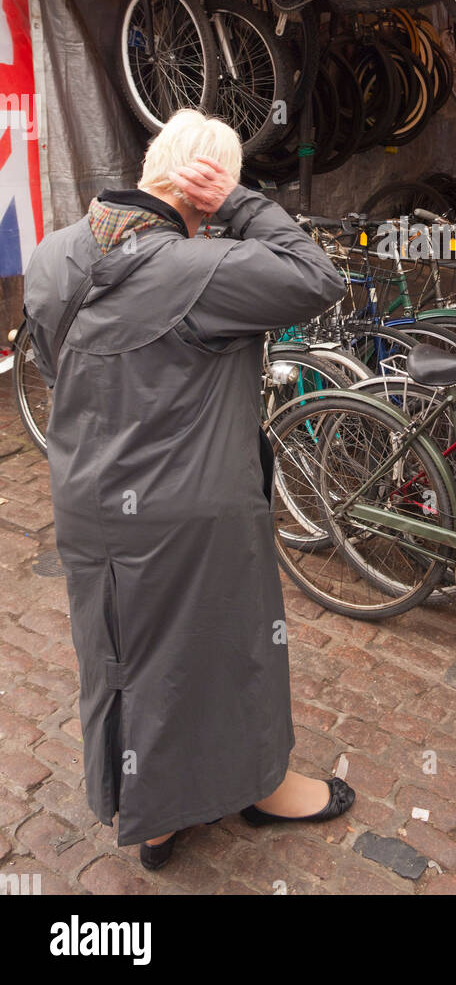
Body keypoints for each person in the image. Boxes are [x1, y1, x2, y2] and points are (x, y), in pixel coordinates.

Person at [23, 110, 352, 870]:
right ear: (208, 187)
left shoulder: (51, 257)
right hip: (193, 508)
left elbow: (51, 360)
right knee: (229, 646)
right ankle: (253, 787)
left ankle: (154, 815)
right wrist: (242, 204)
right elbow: (316, 279)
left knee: (119, 656)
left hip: (88, 500)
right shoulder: (200, 270)